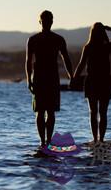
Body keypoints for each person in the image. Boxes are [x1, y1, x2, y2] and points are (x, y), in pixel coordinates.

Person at [73, 23, 111, 143]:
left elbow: (81, 65)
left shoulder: (88, 47)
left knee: (93, 112)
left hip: (92, 81)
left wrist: (74, 78)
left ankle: (95, 140)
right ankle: (101, 140)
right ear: (103, 33)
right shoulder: (106, 46)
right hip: (104, 81)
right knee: (103, 113)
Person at [26, 10, 73, 147]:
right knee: (40, 112)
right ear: (40, 22)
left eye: (49, 20)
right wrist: (29, 79)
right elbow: (28, 61)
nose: (47, 23)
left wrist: (72, 76)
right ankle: (43, 141)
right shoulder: (33, 40)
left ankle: (47, 141)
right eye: (44, 20)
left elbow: (66, 59)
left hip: (52, 78)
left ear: (52, 22)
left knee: (50, 112)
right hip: (39, 78)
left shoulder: (58, 39)